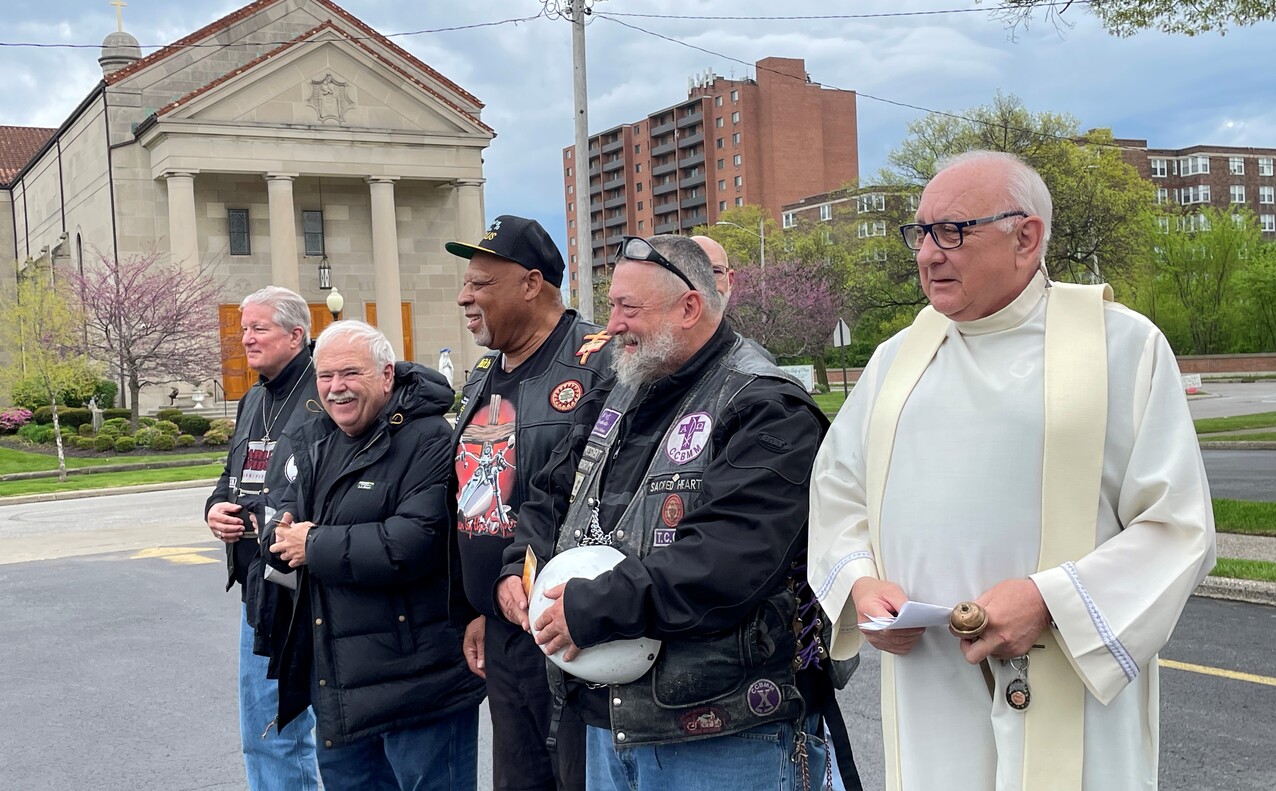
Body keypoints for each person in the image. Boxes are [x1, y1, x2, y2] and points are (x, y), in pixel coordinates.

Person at [807, 150, 1216, 791]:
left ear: (1026, 236)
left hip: (1062, 674)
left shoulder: (1121, 347)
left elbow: (1177, 524)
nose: (927, 254)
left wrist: (1051, 601)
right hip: (929, 676)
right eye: (920, 233)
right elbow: (836, 489)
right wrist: (860, 586)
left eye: (953, 231)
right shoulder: (897, 359)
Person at [495, 234, 851, 789]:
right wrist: (518, 564)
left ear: (689, 307)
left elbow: (728, 561)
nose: (610, 324)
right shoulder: (617, 387)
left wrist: (593, 608)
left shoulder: (765, 406)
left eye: (627, 309)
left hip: (726, 731)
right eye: (611, 306)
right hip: (609, 722)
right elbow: (550, 494)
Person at [261, 320, 484, 791]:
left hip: (418, 682)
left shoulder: (428, 439)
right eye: (325, 376)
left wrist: (312, 543)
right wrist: (279, 538)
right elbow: (275, 522)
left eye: (349, 374)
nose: (336, 389)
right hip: (338, 682)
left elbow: (412, 542)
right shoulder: (311, 437)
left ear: (386, 375)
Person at [446, 214, 612, 791]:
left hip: (566, 625)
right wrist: (473, 608)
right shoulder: (483, 376)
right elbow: (467, 500)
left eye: (481, 284)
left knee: (576, 777)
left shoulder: (598, 364)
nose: (465, 297)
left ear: (531, 283)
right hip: (500, 627)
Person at [204, 285, 320, 791]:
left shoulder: (325, 390)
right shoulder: (252, 398)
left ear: (296, 335)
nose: (245, 338)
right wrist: (216, 510)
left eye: (258, 328)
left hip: (313, 584)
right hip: (261, 587)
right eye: (242, 328)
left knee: (304, 730)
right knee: (263, 731)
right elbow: (231, 476)